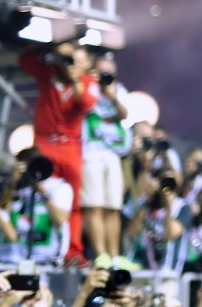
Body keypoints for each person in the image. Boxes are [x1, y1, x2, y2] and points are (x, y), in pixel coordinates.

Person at [19, 41, 96, 264]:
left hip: (71, 147)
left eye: (79, 61)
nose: (73, 64)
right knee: (42, 193)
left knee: (73, 203)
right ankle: (39, 247)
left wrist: (75, 79)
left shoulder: (88, 82)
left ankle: (73, 252)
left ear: (87, 65)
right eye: (70, 59)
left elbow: (84, 104)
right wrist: (52, 50)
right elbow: (25, 61)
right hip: (45, 144)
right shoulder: (49, 74)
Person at [81, 52, 130, 260]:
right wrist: (92, 83)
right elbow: (83, 106)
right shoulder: (87, 87)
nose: (105, 75)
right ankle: (101, 255)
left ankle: (115, 256)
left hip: (112, 153)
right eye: (102, 71)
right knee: (95, 205)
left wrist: (111, 95)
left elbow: (124, 114)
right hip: (91, 153)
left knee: (113, 207)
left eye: (109, 72)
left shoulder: (119, 90)